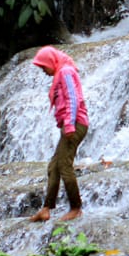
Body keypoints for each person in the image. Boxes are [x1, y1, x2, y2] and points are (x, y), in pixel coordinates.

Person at [28, 46, 89, 223]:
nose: (44, 71)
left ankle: (76, 208)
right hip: (71, 124)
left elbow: (72, 97)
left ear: (51, 62)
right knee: (53, 167)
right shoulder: (61, 72)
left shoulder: (66, 72)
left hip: (75, 124)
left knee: (64, 165)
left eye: (43, 67)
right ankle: (46, 209)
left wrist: (69, 124)